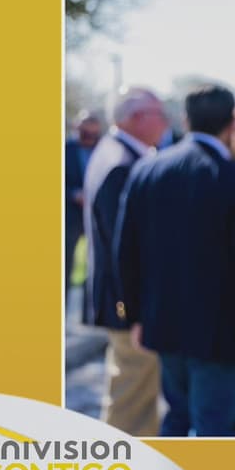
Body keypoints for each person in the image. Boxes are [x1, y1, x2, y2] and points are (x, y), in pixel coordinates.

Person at [116, 85, 235, 437]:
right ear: (231, 124)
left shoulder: (147, 171)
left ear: (186, 120)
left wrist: (133, 315)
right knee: (216, 430)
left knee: (176, 418)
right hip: (219, 332)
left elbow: (126, 251)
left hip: (165, 322)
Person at [82, 88, 168, 436]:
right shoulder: (122, 163)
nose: (165, 120)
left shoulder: (115, 153)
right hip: (126, 304)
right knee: (130, 403)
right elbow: (126, 247)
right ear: (135, 118)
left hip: (122, 300)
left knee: (134, 396)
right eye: (158, 113)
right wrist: (133, 310)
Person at [65, 111, 102, 304]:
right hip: (70, 216)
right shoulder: (65, 149)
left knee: (96, 265)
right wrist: (73, 194)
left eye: (93, 133)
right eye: (84, 133)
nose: (89, 137)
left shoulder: (103, 149)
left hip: (95, 215)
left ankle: (90, 312)